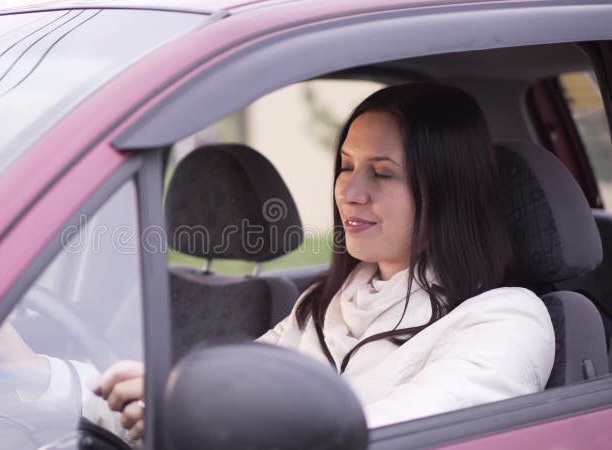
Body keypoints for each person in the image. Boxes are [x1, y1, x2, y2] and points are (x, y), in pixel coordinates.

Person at [94, 83, 555, 435]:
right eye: (347, 166)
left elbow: (399, 434)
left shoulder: (506, 321)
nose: (349, 193)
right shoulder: (320, 302)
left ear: (448, 191)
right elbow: (230, 389)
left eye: (382, 173)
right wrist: (43, 379)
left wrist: (187, 403)